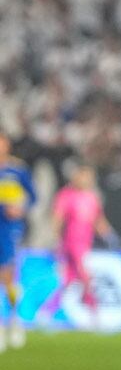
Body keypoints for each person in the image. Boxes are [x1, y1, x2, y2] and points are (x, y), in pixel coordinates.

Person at [37, 165, 119, 324]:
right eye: (85, 176)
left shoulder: (91, 198)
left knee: (69, 281)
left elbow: (98, 221)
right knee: (85, 277)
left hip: (85, 244)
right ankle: (95, 314)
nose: (88, 180)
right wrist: (56, 239)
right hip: (71, 244)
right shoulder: (66, 195)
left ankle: (47, 311)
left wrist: (110, 235)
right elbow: (57, 219)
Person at [0, 132, 36, 352]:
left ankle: (14, 321)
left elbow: (33, 196)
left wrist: (19, 208)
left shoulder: (16, 170)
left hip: (9, 229)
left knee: (8, 275)